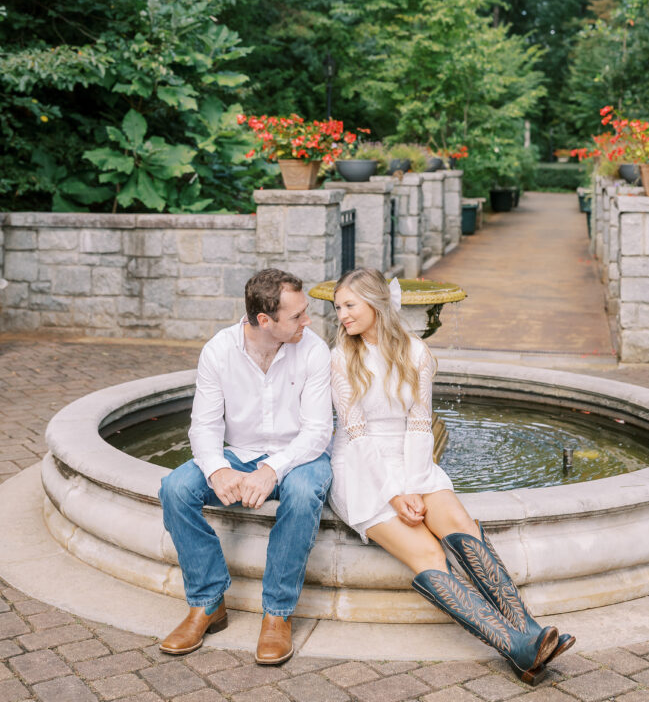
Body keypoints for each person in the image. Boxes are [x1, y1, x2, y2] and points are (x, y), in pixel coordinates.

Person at [329, 267, 574, 685]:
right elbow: (357, 436)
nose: (342, 316)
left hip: (413, 460)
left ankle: (530, 632)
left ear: (374, 303)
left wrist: (416, 484)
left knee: (458, 523)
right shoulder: (340, 357)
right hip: (360, 468)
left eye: (349, 305)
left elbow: (421, 423)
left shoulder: (416, 352)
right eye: (338, 308)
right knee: (428, 554)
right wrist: (394, 495)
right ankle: (513, 647)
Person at [158, 268, 333, 665]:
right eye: (297, 316)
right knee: (175, 488)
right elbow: (203, 426)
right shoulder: (219, 350)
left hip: (300, 454)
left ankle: (277, 613)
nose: (308, 321)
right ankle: (207, 603)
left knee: (305, 492)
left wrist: (272, 469)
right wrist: (218, 469)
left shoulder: (314, 349)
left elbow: (318, 432)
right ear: (264, 321)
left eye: (305, 312)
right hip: (239, 453)